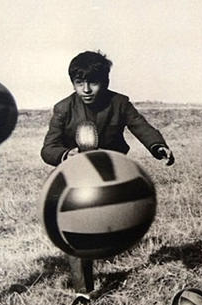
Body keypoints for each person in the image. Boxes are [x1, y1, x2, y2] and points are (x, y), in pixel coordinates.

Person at [40, 50, 174, 305]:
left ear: (105, 81)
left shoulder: (120, 103)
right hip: (77, 180)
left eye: (93, 82)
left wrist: (158, 147)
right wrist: (67, 154)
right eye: (79, 83)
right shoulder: (63, 108)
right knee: (76, 229)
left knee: (113, 225)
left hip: (113, 177)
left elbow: (141, 127)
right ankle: (83, 292)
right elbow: (48, 149)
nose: (86, 89)